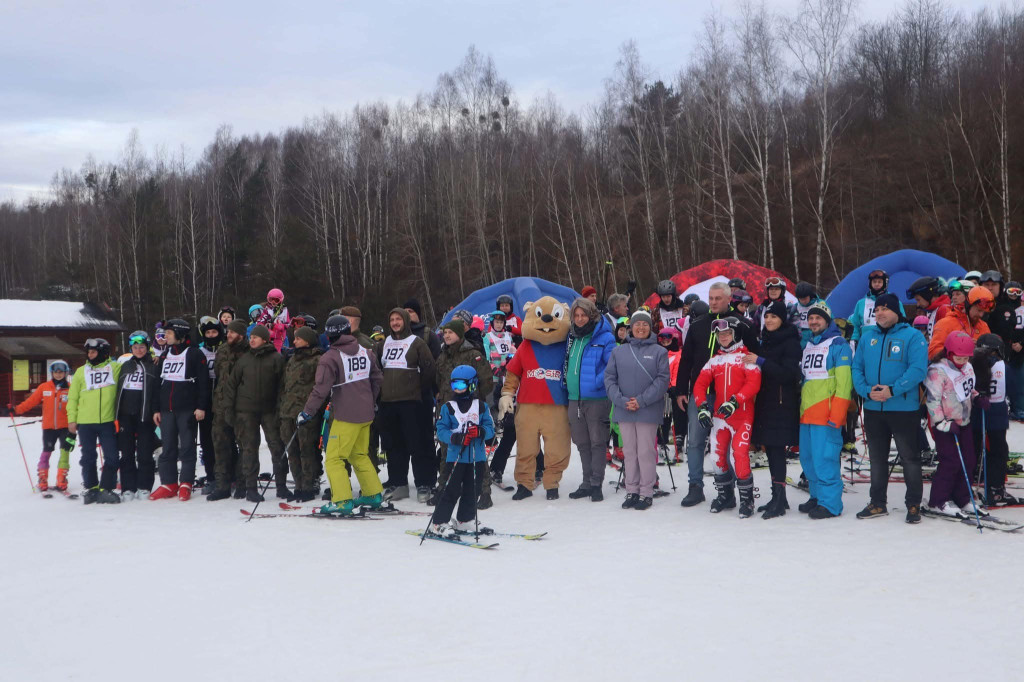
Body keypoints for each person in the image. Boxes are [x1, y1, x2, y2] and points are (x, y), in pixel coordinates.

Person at [676, 282, 758, 507]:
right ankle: (696, 486)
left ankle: (730, 489)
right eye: (710, 298)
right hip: (701, 394)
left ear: (728, 299)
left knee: (727, 443)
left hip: (730, 396)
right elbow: (686, 359)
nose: (713, 303)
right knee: (696, 441)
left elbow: (753, 356)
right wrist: (681, 390)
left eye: (718, 299)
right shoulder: (699, 324)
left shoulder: (742, 324)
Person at [850, 294, 929, 523]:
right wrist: (866, 390)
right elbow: (857, 368)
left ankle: (913, 504)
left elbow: (917, 370)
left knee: (910, 458)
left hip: (903, 408)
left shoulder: (913, 336)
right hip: (874, 408)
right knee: (877, 459)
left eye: (885, 308)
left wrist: (893, 390)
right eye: (877, 309)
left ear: (897, 311)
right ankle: (877, 502)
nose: (880, 313)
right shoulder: (867, 337)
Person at [298, 315, 385, 515]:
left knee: (334, 459)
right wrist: (371, 401)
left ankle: (342, 500)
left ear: (329, 336)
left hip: (346, 416)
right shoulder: (366, 351)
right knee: (359, 454)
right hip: (366, 414)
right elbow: (377, 378)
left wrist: (307, 412)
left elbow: (320, 390)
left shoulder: (330, 357)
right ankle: (373, 494)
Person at [692, 316, 762, 517]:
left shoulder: (747, 357)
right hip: (720, 418)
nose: (722, 337)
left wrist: (735, 401)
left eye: (727, 333)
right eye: (719, 334)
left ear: (736, 333)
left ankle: (747, 501)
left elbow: (753, 383)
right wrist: (702, 406)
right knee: (716, 456)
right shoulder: (715, 359)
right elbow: (699, 384)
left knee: (739, 455)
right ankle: (726, 496)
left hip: (742, 416)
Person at [604, 310, 670, 510]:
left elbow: (662, 380)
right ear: (630, 327)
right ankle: (631, 490)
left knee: (645, 452)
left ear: (651, 327)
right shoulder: (618, 352)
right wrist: (621, 400)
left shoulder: (659, 352)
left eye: (645, 324)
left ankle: (646, 492)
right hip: (624, 409)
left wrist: (641, 400)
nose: (641, 327)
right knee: (630, 452)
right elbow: (609, 379)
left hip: (647, 410)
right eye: (637, 324)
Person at [746, 300, 802, 519]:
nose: (769, 320)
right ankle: (779, 496)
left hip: (781, 403)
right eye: (767, 317)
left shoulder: (790, 342)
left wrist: (761, 361)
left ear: (783, 320)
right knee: (770, 449)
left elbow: (789, 374)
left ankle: (779, 499)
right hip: (766, 402)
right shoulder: (766, 340)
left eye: (774, 317)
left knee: (777, 450)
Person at [797, 302, 852, 519]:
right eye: (810, 319)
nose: (813, 322)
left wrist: (838, 414)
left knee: (825, 459)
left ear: (827, 320)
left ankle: (830, 504)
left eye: (818, 318)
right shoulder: (809, 344)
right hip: (807, 413)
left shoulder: (839, 344)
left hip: (827, 414)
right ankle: (817, 496)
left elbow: (845, 383)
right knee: (808, 460)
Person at [376, 307, 436, 502]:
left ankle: (424, 484)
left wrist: (419, 390)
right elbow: (377, 369)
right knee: (394, 446)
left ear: (405, 321)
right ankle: (398, 483)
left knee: (418, 445)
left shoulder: (417, 343)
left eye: (398, 319)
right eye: (392, 319)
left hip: (412, 403)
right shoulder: (383, 344)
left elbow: (429, 369)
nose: (395, 323)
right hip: (388, 404)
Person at [221, 324, 286, 502]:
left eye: (255, 337)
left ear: (264, 339)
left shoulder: (276, 358)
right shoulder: (244, 359)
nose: (252, 339)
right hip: (245, 412)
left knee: (277, 447)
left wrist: (281, 408)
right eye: (251, 337)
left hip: (270, 411)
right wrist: (229, 408)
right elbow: (231, 386)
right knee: (249, 449)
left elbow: (283, 386)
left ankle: (281, 486)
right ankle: (249, 487)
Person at [428, 365, 495, 535]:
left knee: (473, 489)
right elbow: (441, 429)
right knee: (451, 490)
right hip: (455, 457)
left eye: (461, 386)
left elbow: (490, 427)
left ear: (472, 385)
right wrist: (454, 437)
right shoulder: (448, 407)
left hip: (476, 457)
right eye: (454, 386)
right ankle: (439, 522)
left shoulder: (480, 406)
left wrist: (481, 431)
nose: (457, 390)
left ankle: (465, 519)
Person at [434, 317, 494, 506]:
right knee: (446, 450)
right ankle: (444, 487)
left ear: (459, 334)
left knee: (475, 451)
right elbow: (439, 379)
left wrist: (473, 399)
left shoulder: (472, 354)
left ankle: (483, 491)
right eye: (444, 333)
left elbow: (487, 381)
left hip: (470, 409)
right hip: (448, 408)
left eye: (450, 332)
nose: (446, 336)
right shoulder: (443, 355)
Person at [149, 319, 210, 501]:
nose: (164, 336)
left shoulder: (194, 354)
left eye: (168, 333)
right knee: (167, 448)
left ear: (180, 335)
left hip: (187, 410)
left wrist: (201, 407)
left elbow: (203, 384)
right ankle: (168, 483)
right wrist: (156, 409)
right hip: (166, 410)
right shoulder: (165, 355)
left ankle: (186, 483)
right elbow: (157, 385)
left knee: (187, 448)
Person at [564, 297, 617, 502]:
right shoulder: (572, 337)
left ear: (591, 315)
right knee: (582, 443)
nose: (579, 319)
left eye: (583, 315)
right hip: (574, 398)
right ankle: (586, 482)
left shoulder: (604, 337)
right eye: (576, 315)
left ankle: (596, 484)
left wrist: (596, 382)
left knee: (597, 442)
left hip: (596, 398)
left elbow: (610, 366)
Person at [924, 331, 979, 517]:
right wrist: (942, 423)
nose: (962, 361)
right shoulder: (937, 371)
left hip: (964, 422)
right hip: (946, 426)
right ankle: (938, 500)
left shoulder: (967, 367)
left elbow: (967, 389)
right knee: (951, 462)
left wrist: (978, 397)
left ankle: (962, 497)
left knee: (969, 460)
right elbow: (932, 401)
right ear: (949, 353)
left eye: (966, 357)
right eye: (959, 357)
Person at [67, 339, 122, 504]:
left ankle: (106, 488)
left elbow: (132, 363)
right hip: (85, 423)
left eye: (93, 352)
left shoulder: (115, 368)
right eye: (88, 352)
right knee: (88, 458)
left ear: (103, 353)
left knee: (112, 457)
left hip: (107, 421)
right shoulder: (80, 371)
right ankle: (91, 489)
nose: (89, 355)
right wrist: (72, 420)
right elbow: (73, 397)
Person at [278, 325, 324, 503]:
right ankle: (298, 485)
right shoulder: (291, 360)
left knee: (307, 451)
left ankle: (308, 486)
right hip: (287, 412)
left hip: (306, 413)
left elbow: (320, 388)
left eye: (298, 338)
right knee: (293, 451)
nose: (294, 340)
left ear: (307, 340)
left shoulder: (317, 360)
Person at [971, 334, 1017, 506]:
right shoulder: (1004, 366)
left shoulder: (971, 364)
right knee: (998, 451)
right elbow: (1012, 388)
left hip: (975, 410)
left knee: (973, 447)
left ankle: (966, 484)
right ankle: (996, 489)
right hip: (996, 412)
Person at [13, 360, 72, 493]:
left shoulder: (71, 388)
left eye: (61, 372)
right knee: (47, 451)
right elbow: (31, 401)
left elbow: (78, 405)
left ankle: (61, 478)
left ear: (66, 373)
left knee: (65, 451)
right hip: (49, 427)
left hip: (66, 427)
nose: (58, 375)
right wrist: (16, 410)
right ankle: (43, 478)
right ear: (52, 373)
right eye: (56, 372)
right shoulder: (44, 387)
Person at [207, 319, 249, 500]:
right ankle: (222, 486)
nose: (228, 334)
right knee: (221, 446)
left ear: (241, 334)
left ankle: (242, 484)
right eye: (228, 331)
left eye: (232, 332)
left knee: (244, 446)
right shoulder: (222, 350)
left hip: (242, 407)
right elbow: (217, 373)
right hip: (221, 406)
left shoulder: (250, 351)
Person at [114, 332, 160, 499]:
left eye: (142, 347)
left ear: (147, 348)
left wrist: (155, 410)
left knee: (144, 453)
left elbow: (157, 391)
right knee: (126, 453)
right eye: (135, 347)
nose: (139, 350)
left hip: (145, 416)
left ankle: (144, 486)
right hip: (126, 415)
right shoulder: (125, 366)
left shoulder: (154, 365)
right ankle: (128, 487)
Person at [928, 286, 993, 361]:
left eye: (984, 312)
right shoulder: (945, 323)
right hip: (951, 370)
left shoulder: (983, 326)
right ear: (968, 305)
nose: (981, 315)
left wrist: (980, 348)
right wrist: (959, 348)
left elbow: (990, 355)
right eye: (978, 310)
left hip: (976, 371)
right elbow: (933, 353)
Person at [196, 316, 222, 493]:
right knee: (207, 441)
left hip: (223, 400)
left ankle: (228, 474)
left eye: (214, 332)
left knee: (225, 440)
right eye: (208, 332)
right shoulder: (198, 352)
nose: (211, 335)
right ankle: (211, 476)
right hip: (204, 401)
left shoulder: (225, 350)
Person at [850, 269, 905, 349]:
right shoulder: (861, 303)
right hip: (866, 343)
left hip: (888, 341)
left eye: (879, 282)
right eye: (874, 282)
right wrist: (854, 340)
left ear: (885, 283)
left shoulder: (893, 301)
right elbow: (855, 324)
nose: (876, 284)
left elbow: (902, 321)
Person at [657, 326, 686, 464]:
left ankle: (678, 445)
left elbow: (677, 371)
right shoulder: (658, 354)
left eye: (668, 337)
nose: (664, 341)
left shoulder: (677, 354)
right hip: (660, 391)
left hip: (672, 391)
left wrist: (673, 385)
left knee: (678, 415)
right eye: (662, 338)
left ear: (674, 338)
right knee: (664, 416)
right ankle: (662, 444)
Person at [1004, 280, 1024, 419]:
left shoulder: (1022, 310)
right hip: (1006, 347)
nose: (1014, 295)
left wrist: (1021, 344)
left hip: (1020, 350)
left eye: (1018, 292)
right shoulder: (1001, 307)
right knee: (1008, 379)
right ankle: (1010, 405)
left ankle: (1019, 408)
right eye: (1011, 291)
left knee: (1019, 379)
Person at [258, 288, 290, 352]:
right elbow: (260, 322)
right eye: (271, 300)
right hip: (268, 337)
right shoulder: (267, 310)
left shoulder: (284, 311)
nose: (273, 302)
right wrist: (266, 328)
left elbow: (288, 323)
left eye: (276, 300)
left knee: (277, 352)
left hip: (279, 337)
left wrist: (283, 326)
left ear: (280, 300)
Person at [793, 282, 825, 347]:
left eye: (805, 298)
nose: (804, 301)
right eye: (801, 299)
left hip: (818, 339)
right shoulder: (795, 307)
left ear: (810, 295)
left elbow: (829, 321)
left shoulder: (820, 304)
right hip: (800, 343)